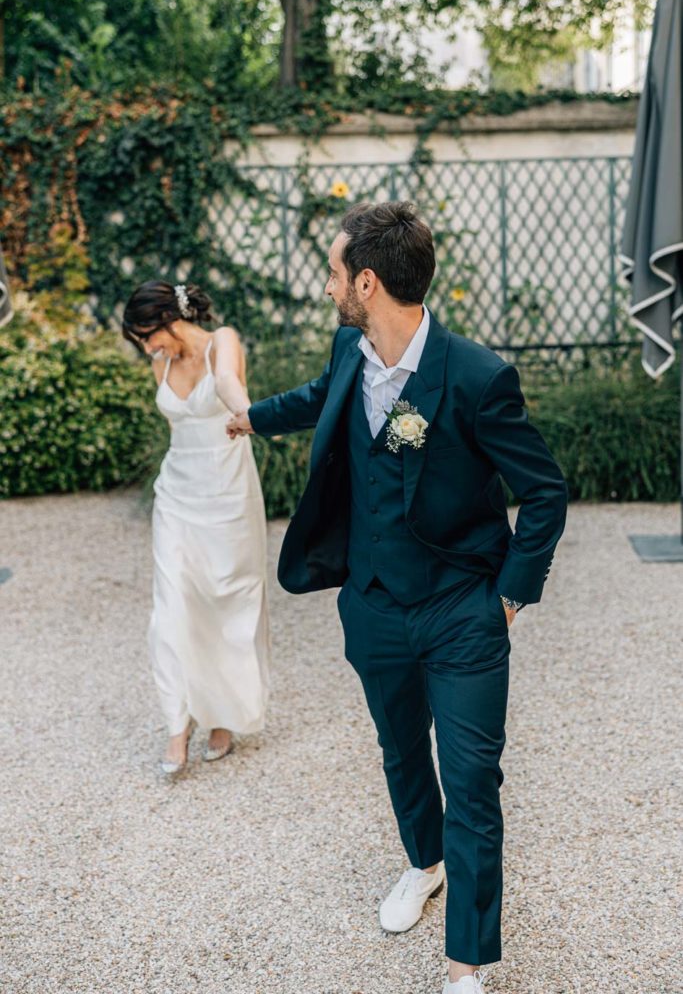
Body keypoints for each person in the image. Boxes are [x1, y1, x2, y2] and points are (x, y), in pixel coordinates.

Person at [227, 203, 567, 993]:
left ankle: (465, 968)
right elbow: (322, 394)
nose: (327, 284)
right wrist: (250, 419)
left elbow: (544, 491)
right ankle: (422, 863)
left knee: (473, 780)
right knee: (399, 750)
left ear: (368, 281)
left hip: (462, 608)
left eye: (335, 271)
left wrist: (511, 595)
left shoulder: (477, 377)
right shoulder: (352, 346)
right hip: (374, 604)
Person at [122, 280, 269, 777]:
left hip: (228, 491)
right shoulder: (158, 362)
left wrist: (246, 412)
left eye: (148, 334)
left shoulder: (221, 340)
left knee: (227, 602)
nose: (147, 347)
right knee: (170, 606)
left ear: (170, 316)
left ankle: (223, 715)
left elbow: (227, 381)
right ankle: (176, 727)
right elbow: (178, 427)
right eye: (140, 340)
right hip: (178, 494)